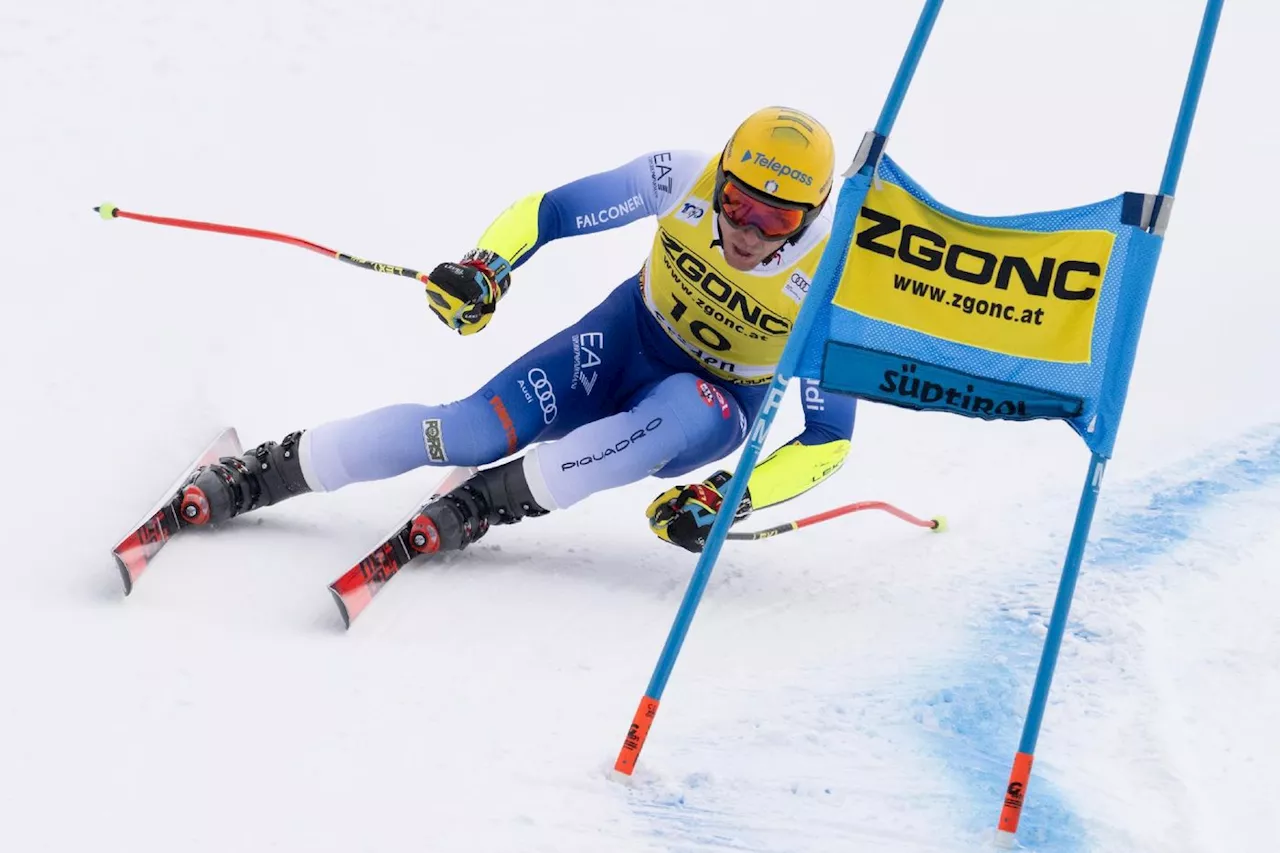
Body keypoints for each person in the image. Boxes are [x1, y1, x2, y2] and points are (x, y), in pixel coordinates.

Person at [175, 106, 856, 554]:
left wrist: (729, 498)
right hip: (625, 340)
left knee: (678, 408)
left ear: (814, 211)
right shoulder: (681, 177)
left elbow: (828, 440)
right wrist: (487, 265)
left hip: (716, 404)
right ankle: (269, 470)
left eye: (775, 220)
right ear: (724, 172)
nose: (744, 229)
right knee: (470, 430)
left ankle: (493, 499)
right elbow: (553, 210)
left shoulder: (831, 281)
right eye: (736, 202)